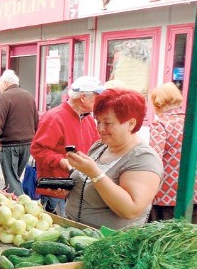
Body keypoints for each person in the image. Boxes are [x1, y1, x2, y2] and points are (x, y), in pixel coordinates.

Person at [63, 88, 162, 229]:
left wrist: (94, 173)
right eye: (97, 121)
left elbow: (130, 210)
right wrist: (70, 187)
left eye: (107, 123)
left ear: (131, 124)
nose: (100, 128)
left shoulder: (144, 159)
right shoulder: (100, 147)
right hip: (75, 236)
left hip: (109, 244)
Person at [30, 76, 103, 215]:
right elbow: (37, 149)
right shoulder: (54, 117)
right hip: (57, 190)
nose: (99, 101)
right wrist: (61, 161)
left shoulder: (89, 120)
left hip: (80, 187)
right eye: (96, 97)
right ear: (83, 97)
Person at [148, 82, 197, 223]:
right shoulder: (192, 121)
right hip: (193, 194)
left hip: (167, 198)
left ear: (157, 104)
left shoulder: (160, 125)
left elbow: (154, 159)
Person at [0, 69, 39, 195]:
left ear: (5, 83)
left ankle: (22, 205)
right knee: (15, 178)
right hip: (27, 145)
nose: (0, 87)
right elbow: (36, 122)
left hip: (10, 146)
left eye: (0, 84)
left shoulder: (3, 98)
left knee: (12, 182)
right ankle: (15, 202)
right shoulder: (29, 96)